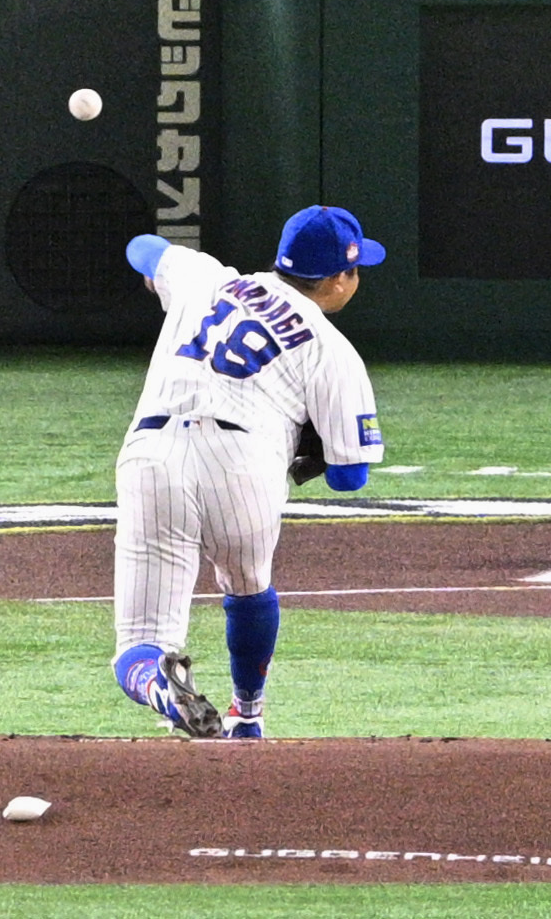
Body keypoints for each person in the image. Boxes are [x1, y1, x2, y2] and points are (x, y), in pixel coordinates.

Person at [111, 205, 385, 740]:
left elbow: (141, 246)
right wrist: (314, 448)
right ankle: (247, 714)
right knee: (248, 586)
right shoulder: (332, 349)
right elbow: (350, 477)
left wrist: (157, 278)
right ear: (338, 279)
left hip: (150, 452)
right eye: (356, 271)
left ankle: (159, 685)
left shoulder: (207, 278)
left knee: (138, 644)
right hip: (243, 465)